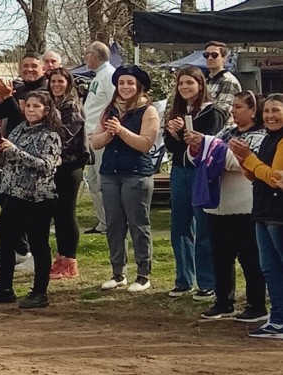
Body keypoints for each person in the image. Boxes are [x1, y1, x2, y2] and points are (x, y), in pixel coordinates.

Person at [0, 91, 62, 309]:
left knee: (38, 243)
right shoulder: (17, 129)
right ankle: (4, 288)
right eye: (29, 106)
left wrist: (15, 152)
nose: (31, 110)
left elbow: (47, 165)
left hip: (38, 197)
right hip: (14, 193)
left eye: (37, 107)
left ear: (46, 110)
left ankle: (39, 292)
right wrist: (0, 152)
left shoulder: (50, 135)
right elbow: (6, 160)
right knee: (3, 239)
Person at [199, 92, 267, 323]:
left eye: (239, 106)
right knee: (221, 257)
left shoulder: (261, 136)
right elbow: (205, 157)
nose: (233, 111)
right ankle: (223, 302)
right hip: (220, 205)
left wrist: (213, 150)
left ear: (253, 110)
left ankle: (256, 304)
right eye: (233, 107)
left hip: (246, 206)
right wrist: (198, 147)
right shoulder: (226, 132)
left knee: (250, 257)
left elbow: (243, 163)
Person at [92, 65, 160, 293]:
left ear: (138, 86)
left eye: (130, 83)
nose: (125, 87)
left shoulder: (148, 110)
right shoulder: (109, 109)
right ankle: (118, 272)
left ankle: (143, 274)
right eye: (121, 83)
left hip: (136, 174)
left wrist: (120, 131)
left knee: (138, 224)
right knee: (114, 225)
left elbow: (145, 144)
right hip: (110, 173)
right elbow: (94, 142)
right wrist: (108, 134)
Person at [163, 67, 223, 299]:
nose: (185, 87)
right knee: (180, 226)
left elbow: (209, 144)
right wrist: (175, 134)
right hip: (180, 171)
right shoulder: (176, 112)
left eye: (189, 83)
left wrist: (188, 136)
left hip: (202, 172)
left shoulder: (212, 112)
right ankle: (183, 279)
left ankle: (207, 281)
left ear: (200, 84)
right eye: (181, 84)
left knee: (204, 227)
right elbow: (174, 148)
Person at [228, 93, 283, 338]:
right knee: (269, 268)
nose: (270, 116)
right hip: (263, 211)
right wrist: (246, 163)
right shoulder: (269, 139)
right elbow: (259, 175)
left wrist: (250, 160)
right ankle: (278, 318)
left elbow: (275, 178)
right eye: (267, 111)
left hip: (278, 213)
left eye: (276, 111)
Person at [47, 68, 89, 279]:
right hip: (54, 165)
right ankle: (61, 258)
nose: (56, 84)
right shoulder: (53, 104)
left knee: (66, 213)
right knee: (58, 214)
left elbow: (65, 137)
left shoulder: (71, 107)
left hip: (69, 165)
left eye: (60, 81)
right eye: (53, 81)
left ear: (68, 83)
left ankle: (70, 261)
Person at [82, 41, 116, 234]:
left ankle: (112, 223)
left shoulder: (110, 76)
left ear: (94, 56)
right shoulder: (99, 76)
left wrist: (106, 133)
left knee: (103, 182)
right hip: (91, 137)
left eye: (86, 54)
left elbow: (114, 106)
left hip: (101, 137)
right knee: (93, 182)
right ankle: (103, 222)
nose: (85, 58)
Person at [201, 43, 240, 122]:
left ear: (224, 58)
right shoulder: (206, 80)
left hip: (223, 131)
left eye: (214, 55)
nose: (210, 58)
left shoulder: (228, 80)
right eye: (206, 55)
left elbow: (221, 112)